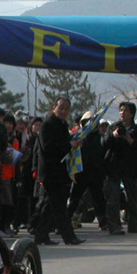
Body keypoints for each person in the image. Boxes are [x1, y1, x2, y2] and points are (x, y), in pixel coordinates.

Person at [32, 97, 85, 246]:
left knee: (50, 206)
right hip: (50, 172)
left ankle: (41, 236)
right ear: (54, 108)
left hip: (60, 172)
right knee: (59, 206)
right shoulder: (47, 125)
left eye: (66, 109)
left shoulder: (62, 125)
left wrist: (75, 142)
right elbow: (49, 147)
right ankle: (69, 236)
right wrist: (69, 145)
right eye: (60, 107)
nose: (63, 111)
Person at [102, 101, 137, 234]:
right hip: (113, 167)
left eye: (125, 110)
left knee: (133, 197)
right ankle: (114, 226)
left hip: (130, 167)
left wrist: (129, 139)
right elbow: (104, 143)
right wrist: (113, 135)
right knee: (113, 197)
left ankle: (134, 224)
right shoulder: (113, 127)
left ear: (132, 114)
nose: (122, 113)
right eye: (121, 110)